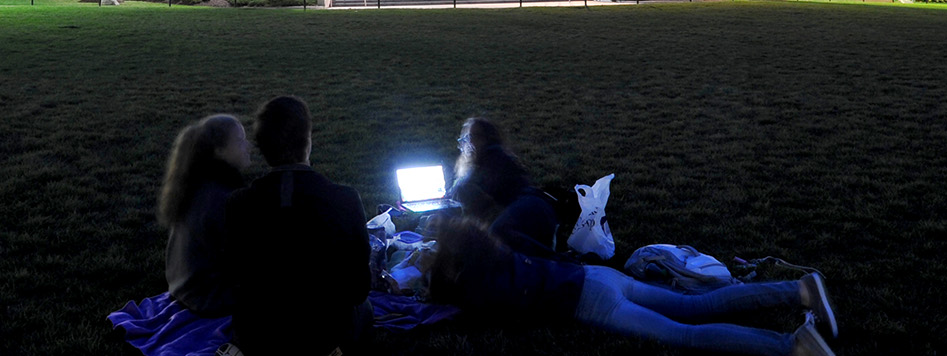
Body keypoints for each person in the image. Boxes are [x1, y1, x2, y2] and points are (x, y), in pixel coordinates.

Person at [429, 217, 840, 356]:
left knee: (687, 335)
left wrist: (436, 278)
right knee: (698, 306)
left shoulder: (481, 287)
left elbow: (471, 314)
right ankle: (799, 289)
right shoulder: (502, 247)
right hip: (599, 277)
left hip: (589, 301)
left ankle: (792, 347)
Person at [224, 96, 372, 356]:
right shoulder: (345, 200)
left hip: (259, 336)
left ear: (262, 146)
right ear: (308, 141)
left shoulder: (239, 203)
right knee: (366, 309)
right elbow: (358, 288)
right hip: (322, 339)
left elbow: (233, 279)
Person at [158, 114, 249, 318]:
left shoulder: (196, 184)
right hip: (207, 298)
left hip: (182, 288)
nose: (247, 146)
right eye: (240, 140)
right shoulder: (222, 197)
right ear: (219, 151)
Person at [447, 118, 560, 257]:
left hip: (522, 214)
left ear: (483, 139)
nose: (464, 144)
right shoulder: (501, 158)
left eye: (468, 137)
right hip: (542, 211)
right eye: (462, 139)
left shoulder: (488, 162)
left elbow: (466, 192)